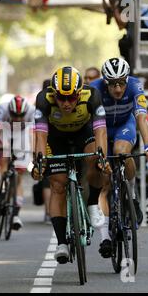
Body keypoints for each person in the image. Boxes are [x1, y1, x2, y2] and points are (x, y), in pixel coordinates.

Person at [32, 66, 110, 264]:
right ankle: (61, 243)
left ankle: (92, 203)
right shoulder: (44, 99)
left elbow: (101, 132)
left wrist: (103, 157)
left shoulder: (92, 95)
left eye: (71, 98)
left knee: (96, 160)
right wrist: (39, 161)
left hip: (83, 133)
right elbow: (40, 135)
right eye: (61, 98)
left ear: (79, 92)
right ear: (54, 94)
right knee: (58, 185)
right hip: (55, 138)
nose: (66, 103)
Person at [91, 57, 148, 258]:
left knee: (121, 151)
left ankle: (133, 195)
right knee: (102, 183)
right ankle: (104, 237)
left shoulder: (136, 85)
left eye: (121, 83)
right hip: (100, 129)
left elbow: (141, 118)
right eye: (112, 84)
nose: (118, 89)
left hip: (123, 126)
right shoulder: (94, 90)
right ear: (105, 82)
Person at [0, 95, 35, 230]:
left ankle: (16, 215)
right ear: (9, 112)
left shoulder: (32, 111)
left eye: (20, 116)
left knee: (18, 176)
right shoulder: (2, 109)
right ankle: (2, 187)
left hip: (22, 134)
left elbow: (33, 135)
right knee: (3, 160)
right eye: (14, 115)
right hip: (5, 130)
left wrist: (33, 154)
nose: (17, 118)